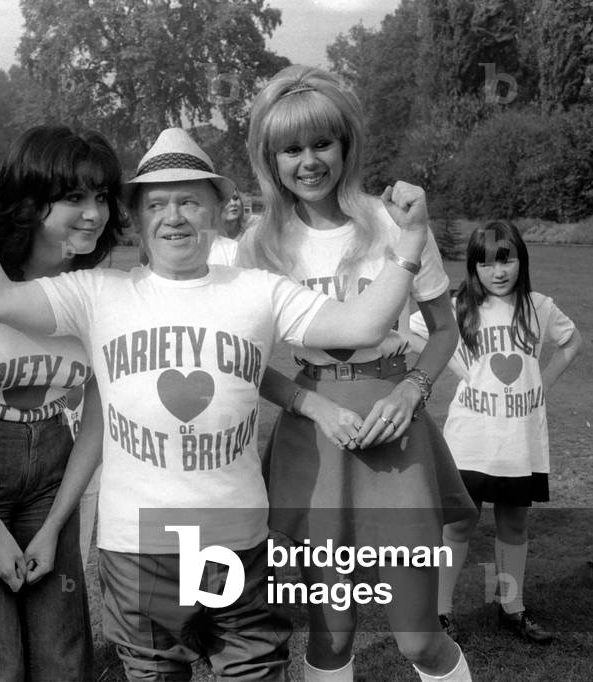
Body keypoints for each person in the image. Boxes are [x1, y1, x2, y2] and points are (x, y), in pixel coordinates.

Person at [0, 126, 432, 681]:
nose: (173, 217)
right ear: (134, 216)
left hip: (237, 541)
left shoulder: (258, 290)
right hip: (139, 549)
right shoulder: (97, 292)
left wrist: (411, 242)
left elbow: (363, 323)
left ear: (220, 209)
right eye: (156, 203)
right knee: (155, 674)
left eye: (189, 201)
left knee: (253, 671)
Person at [240, 65, 476, 682]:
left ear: (346, 144)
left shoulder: (397, 223)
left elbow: (444, 330)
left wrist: (412, 389)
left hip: (397, 433)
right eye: (291, 148)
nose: (309, 161)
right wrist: (309, 405)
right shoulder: (259, 244)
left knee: (418, 637)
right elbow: (246, 362)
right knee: (331, 633)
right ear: (271, 159)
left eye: (322, 143)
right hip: (316, 437)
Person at [0, 125, 124, 680]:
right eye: (74, 197)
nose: (94, 213)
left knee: (61, 654)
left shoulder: (101, 291)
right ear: (33, 206)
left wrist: (56, 524)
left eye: (101, 197)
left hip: (54, 467)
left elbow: (97, 421)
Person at [410, 222, 582, 644]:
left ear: (521, 259)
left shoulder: (538, 307)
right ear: (474, 268)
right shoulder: (461, 305)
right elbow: (412, 331)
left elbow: (572, 341)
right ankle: (441, 612)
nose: (497, 271)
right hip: (471, 439)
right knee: (458, 525)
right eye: (485, 262)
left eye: (506, 258)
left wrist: (541, 384)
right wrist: (458, 369)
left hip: (519, 440)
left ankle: (512, 608)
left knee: (514, 524)